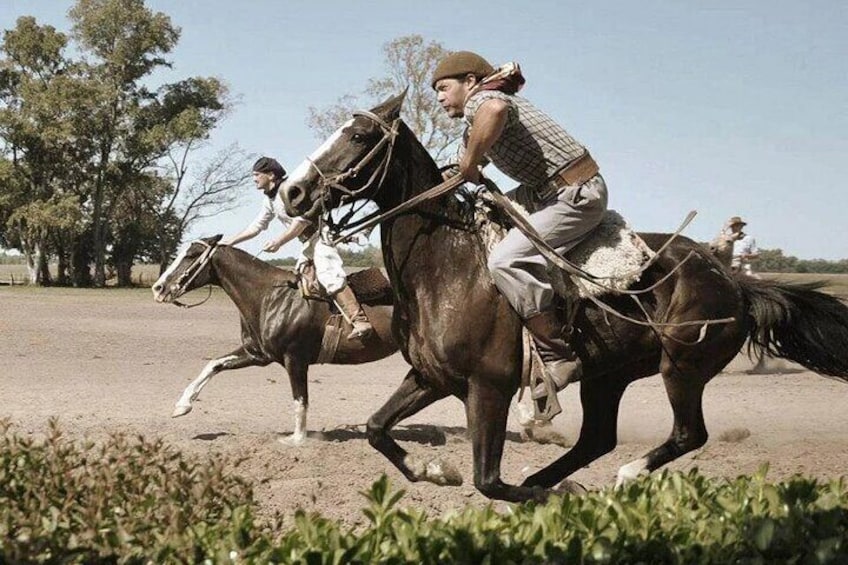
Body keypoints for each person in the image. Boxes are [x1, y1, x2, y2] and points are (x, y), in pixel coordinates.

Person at [432, 51, 609, 392]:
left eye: (443, 87)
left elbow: (493, 113)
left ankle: (557, 354)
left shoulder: (483, 99)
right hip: (544, 191)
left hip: (577, 192)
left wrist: (470, 163)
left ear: (469, 82)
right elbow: (462, 167)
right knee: (480, 216)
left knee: (505, 259)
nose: (440, 97)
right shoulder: (474, 121)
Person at [222, 157, 373, 340]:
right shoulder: (269, 201)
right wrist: (229, 242)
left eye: (256, 175)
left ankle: (360, 321)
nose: (254, 179)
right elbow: (256, 227)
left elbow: (301, 223)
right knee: (304, 278)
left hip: (320, 237)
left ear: (270, 175)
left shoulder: (291, 191)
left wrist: (279, 241)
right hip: (308, 243)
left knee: (328, 275)